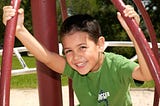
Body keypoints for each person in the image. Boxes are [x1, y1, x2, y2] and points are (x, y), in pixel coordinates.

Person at [3, 5, 152, 106]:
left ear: (100, 44)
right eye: (69, 51)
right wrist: (19, 30)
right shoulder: (73, 68)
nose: (76, 57)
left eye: (82, 47)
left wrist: (134, 34)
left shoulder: (117, 65)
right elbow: (47, 57)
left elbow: (146, 75)